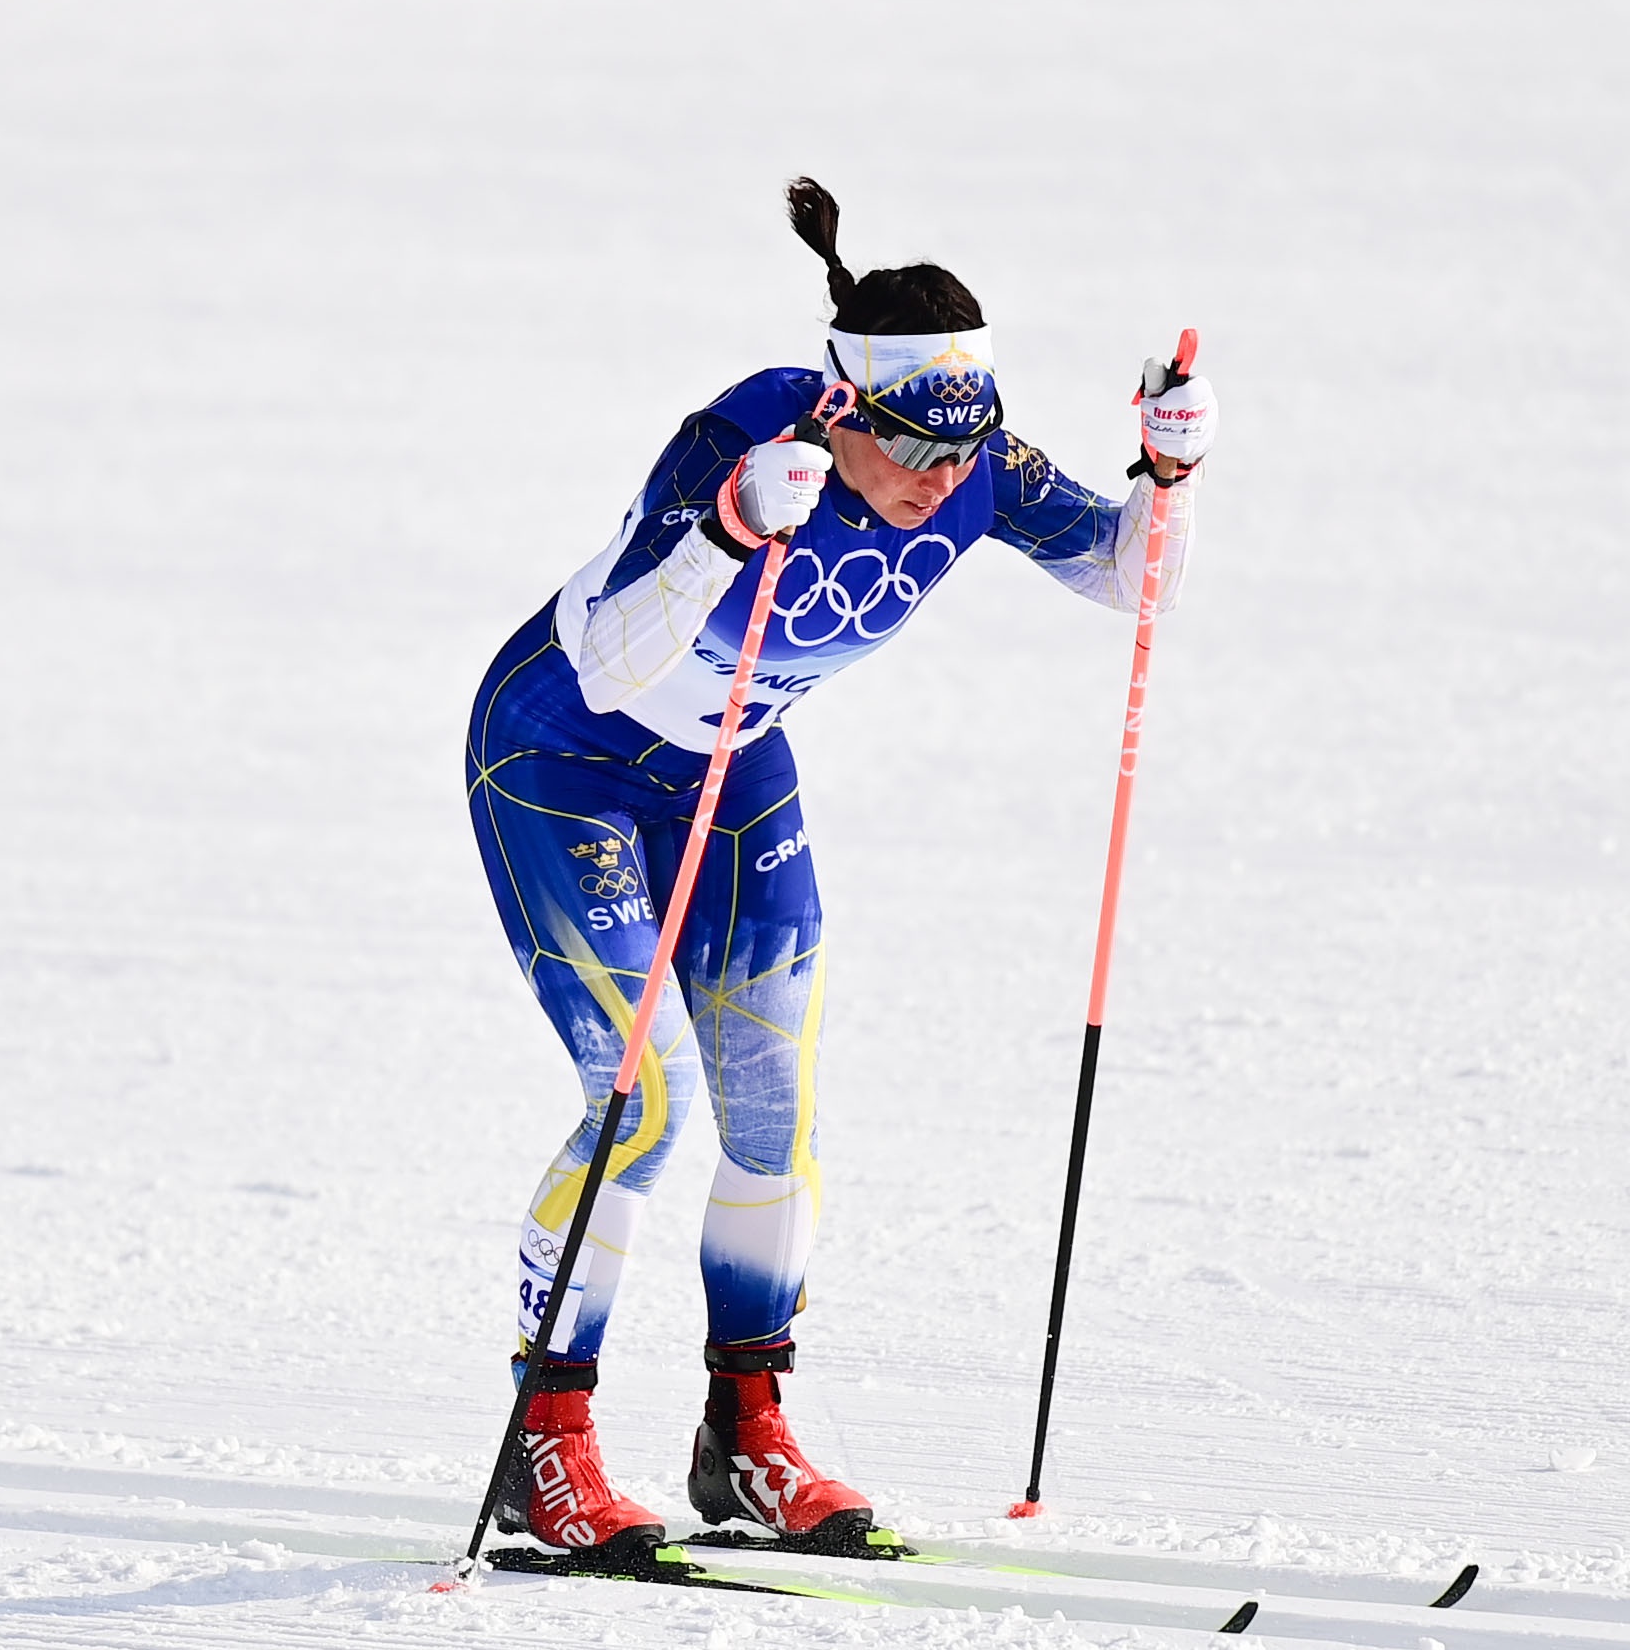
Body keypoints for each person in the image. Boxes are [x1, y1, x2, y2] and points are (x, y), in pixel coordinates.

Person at [466, 178, 1213, 1558]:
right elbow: (616, 663)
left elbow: (1131, 584)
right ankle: (546, 1451)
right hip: (561, 756)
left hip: (731, 766)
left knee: (772, 1115)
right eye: (914, 451)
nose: (940, 481)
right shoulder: (744, 435)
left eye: (962, 450)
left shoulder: (973, 460)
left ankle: (745, 1438)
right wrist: (726, 531)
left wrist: (1164, 478)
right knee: (639, 1106)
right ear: (844, 410)